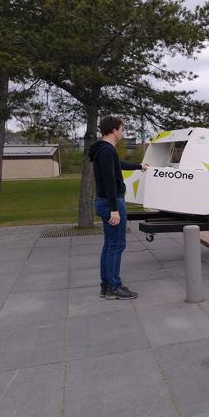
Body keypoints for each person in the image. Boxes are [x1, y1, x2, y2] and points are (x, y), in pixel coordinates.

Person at [88, 116, 148, 300]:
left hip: (105, 202)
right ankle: (114, 286)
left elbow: (118, 165)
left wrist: (139, 166)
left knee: (109, 245)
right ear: (114, 130)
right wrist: (114, 209)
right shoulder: (106, 151)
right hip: (111, 203)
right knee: (116, 245)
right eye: (122, 129)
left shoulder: (104, 150)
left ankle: (106, 285)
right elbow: (109, 182)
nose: (123, 132)